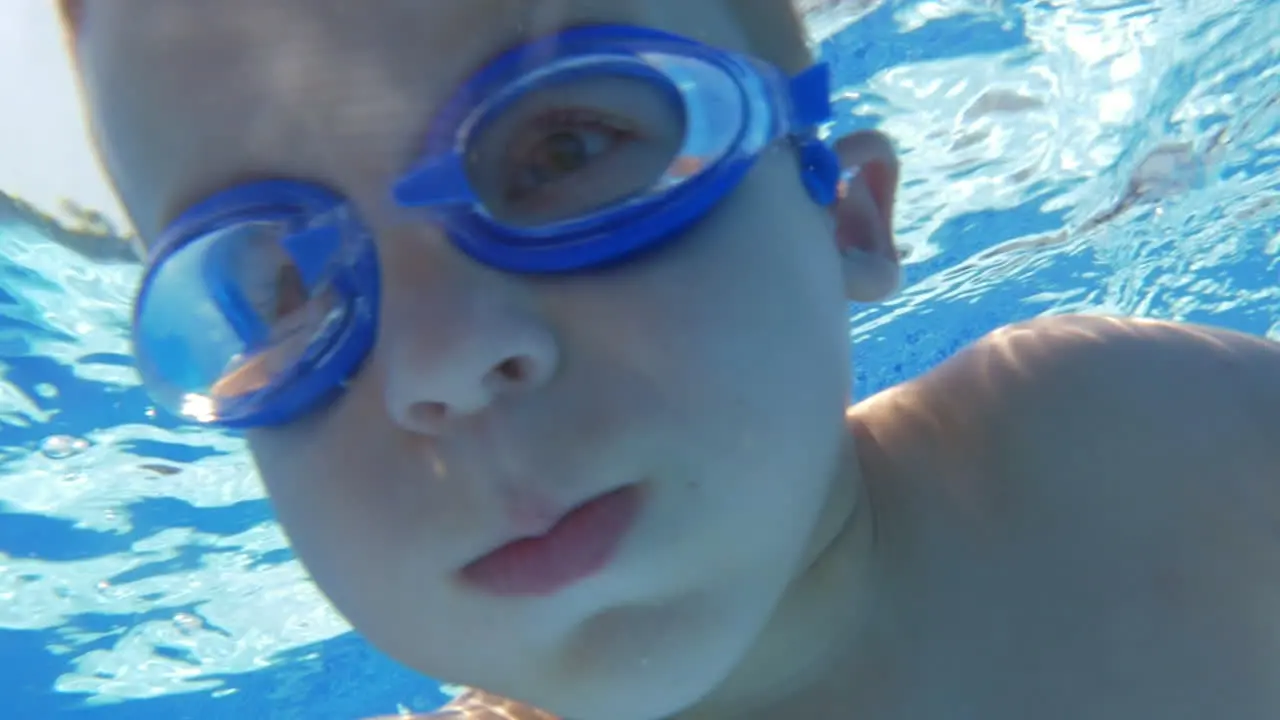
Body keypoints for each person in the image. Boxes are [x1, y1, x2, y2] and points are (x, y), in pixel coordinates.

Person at [57, 0, 1280, 718]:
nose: (441, 358)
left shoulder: (1151, 456)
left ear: (845, 212)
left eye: (564, 145)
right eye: (278, 284)